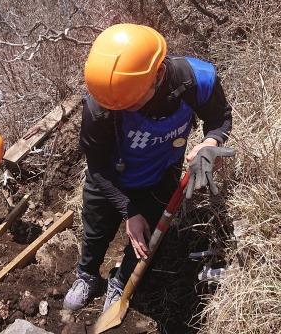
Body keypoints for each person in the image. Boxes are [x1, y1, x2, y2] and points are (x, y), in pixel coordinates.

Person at [63, 24, 233, 312]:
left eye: (132, 103)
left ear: (159, 74)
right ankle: (87, 275)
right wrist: (128, 210)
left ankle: (122, 281)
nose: (123, 108)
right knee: (95, 231)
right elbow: (97, 166)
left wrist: (210, 142)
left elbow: (220, 118)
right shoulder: (103, 104)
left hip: (160, 175)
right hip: (110, 181)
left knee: (147, 239)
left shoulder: (197, 81)